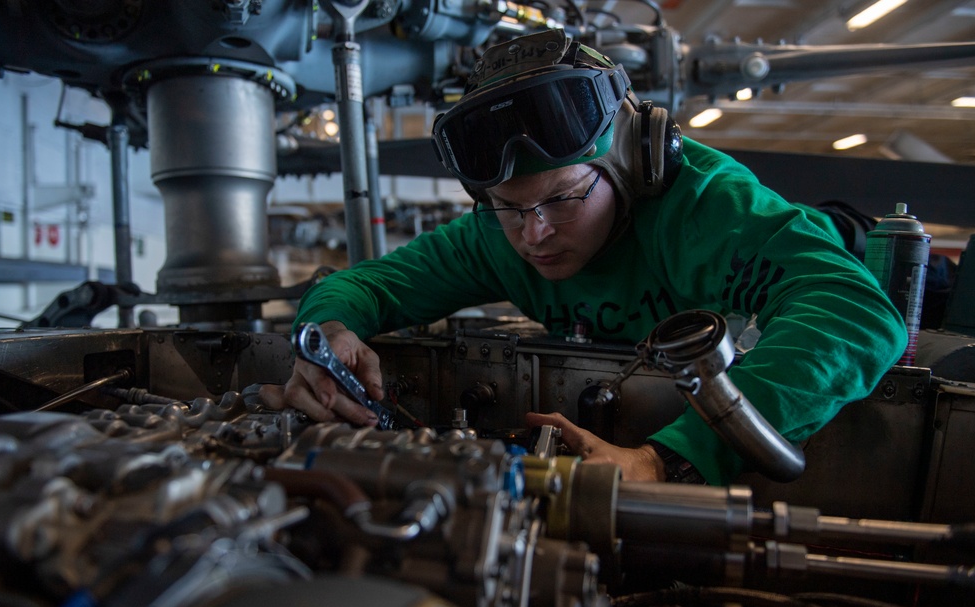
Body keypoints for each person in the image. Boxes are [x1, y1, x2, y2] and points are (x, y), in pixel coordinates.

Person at [260, 29, 907, 486]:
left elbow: (857, 315)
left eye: (563, 199)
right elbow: (366, 287)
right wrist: (326, 335)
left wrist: (666, 460)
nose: (533, 233)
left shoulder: (703, 207)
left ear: (635, 162)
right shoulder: (495, 235)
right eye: (508, 207)